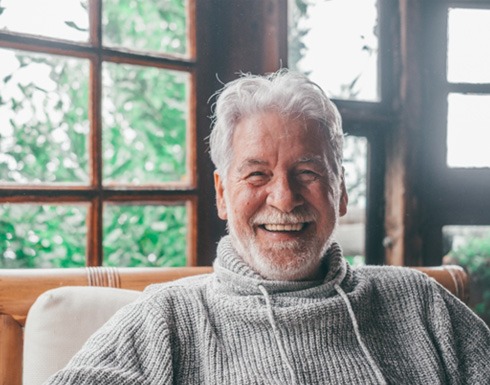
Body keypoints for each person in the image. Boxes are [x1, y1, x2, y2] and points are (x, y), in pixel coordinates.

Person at [45, 69, 490, 384]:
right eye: (257, 174)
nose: (284, 198)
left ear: (341, 192)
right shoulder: (165, 319)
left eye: (308, 173)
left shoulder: (422, 304)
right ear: (222, 194)